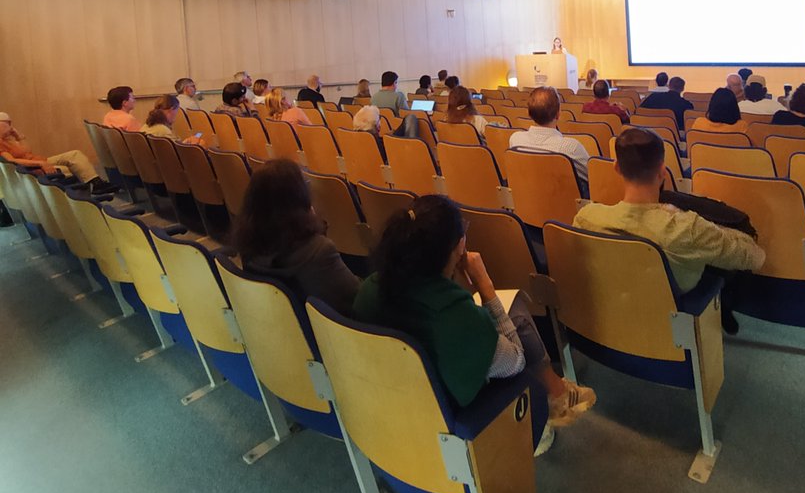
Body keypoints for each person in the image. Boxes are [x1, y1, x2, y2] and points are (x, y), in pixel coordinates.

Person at [353, 195, 595, 443]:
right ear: (457, 249)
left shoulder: (370, 289)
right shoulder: (454, 316)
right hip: (455, 422)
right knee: (514, 317)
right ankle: (546, 410)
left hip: (393, 408)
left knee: (514, 314)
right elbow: (515, 361)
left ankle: (557, 391)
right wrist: (485, 286)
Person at [574, 127, 765, 297]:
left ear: (616, 167)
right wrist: (717, 227)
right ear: (662, 171)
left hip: (617, 297)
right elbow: (755, 258)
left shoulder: (586, 217)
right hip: (671, 302)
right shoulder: (688, 228)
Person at [226, 160, 359, 317]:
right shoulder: (319, 250)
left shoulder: (248, 245)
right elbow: (356, 300)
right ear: (300, 197)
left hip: (286, 327)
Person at [0, 112, 117, 194]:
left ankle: (96, 183)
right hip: (32, 167)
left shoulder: (8, 139)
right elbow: (11, 161)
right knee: (71, 169)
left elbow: (27, 151)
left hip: (37, 160)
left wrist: (19, 137)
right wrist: (40, 164)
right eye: (7, 124)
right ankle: (84, 200)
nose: (11, 127)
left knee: (74, 155)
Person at [509, 86, 589, 190]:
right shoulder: (571, 148)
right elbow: (593, 177)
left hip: (527, 201)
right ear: (558, 114)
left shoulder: (515, 140)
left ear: (529, 113)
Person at [352, 105, 418, 159]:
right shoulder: (378, 144)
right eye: (379, 119)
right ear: (377, 126)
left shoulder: (355, 140)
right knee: (411, 118)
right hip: (396, 162)